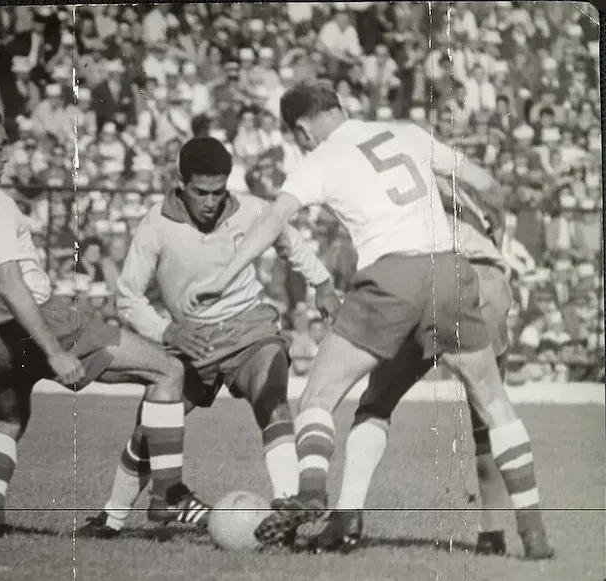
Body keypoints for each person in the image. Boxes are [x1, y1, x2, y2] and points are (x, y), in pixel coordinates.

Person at [185, 81, 553, 559]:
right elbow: (487, 185)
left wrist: (222, 277)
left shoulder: (318, 159)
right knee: (495, 405)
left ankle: (313, 493)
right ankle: (536, 536)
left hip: (392, 278)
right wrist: (498, 235)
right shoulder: (406, 132)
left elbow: (273, 221)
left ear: (301, 129)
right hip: (452, 271)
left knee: (321, 393)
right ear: (339, 107)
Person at [0, 104, 205, 540]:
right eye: (0, 145)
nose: (7, 155)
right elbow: (11, 282)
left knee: (7, 421)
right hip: (47, 323)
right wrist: (54, 350)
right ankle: (166, 496)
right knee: (168, 369)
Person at [80, 137, 341, 538]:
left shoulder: (252, 209)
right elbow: (127, 297)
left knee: (272, 399)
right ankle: (112, 518)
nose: (210, 201)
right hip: (189, 341)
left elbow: (290, 241)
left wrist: (322, 283)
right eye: (200, 192)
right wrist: (167, 331)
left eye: (218, 192)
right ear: (180, 182)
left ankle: (288, 506)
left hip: (248, 329)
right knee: (149, 432)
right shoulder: (155, 224)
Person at [325, 175, 516, 555]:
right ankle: (494, 534)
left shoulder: (398, 188)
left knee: (376, 403)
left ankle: (347, 517)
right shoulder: (475, 187)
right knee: (488, 418)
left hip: (423, 275)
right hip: (484, 281)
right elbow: (498, 215)